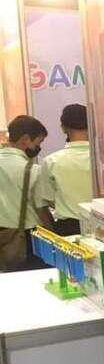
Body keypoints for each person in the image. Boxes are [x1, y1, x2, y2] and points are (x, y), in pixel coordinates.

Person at [34, 104, 93, 236]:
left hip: (67, 229)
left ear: (63, 127)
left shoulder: (51, 161)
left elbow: (47, 200)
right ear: (91, 124)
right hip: (103, 226)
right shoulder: (102, 160)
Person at [0, 116, 47, 272]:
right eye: (38, 142)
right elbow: (41, 209)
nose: (38, 147)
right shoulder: (33, 170)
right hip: (25, 240)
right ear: (25, 139)